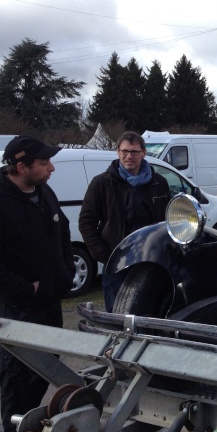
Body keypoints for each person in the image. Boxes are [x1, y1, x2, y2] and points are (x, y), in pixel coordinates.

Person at [0, 135, 74, 432]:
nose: (51, 168)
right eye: (43, 163)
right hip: (15, 310)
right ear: (20, 166)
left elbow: (63, 231)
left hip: (47, 305)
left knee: (47, 365)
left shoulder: (44, 193)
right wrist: (25, 288)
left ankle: (29, 427)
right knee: (17, 376)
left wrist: (64, 274)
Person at [79, 131, 171, 311]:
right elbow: (86, 222)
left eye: (134, 152)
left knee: (152, 313)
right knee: (117, 317)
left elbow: (167, 221)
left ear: (143, 153)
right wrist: (106, 255)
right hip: (117, 263)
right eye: (125, 151)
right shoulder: (101, 183)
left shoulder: (159, 182)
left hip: (152, 261)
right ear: (118, 152)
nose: (129, 156)